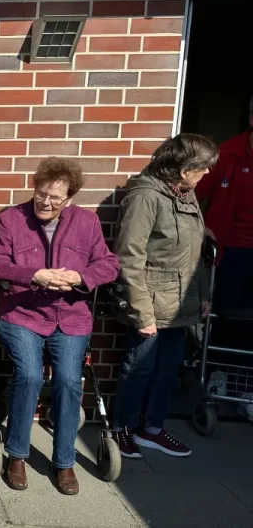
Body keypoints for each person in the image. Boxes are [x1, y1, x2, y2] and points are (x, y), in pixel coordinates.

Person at [0, 157, 119, 495]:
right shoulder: (11, 219)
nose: (45, 202)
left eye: (55, 198)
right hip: (22, 313)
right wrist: (35, 275)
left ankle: (64, 460)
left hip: (70, 315)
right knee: (29, 376)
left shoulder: (87, 222)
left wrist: (81, 278)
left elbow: (108, 264)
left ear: (69, 199)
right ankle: (17, 454)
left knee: (69, 381)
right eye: (41, 193)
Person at [113, 133, 218, 460]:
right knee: (139, 369)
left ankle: (152, 429)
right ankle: (122, 428)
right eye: (203, 166)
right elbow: (129, 257)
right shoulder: (146, 197)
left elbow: (195, 252)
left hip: (180, 303)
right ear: (184, 169)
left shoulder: (185, 194)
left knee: (167, 370)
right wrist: (141, 312)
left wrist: (202, 293)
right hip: (151, 300)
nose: (208, 172)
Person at [196, 94, 253, 318]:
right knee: (228, 317)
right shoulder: (225, 154)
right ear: (251, 120)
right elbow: (190, 193)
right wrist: (199, 227)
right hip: (229, 251)